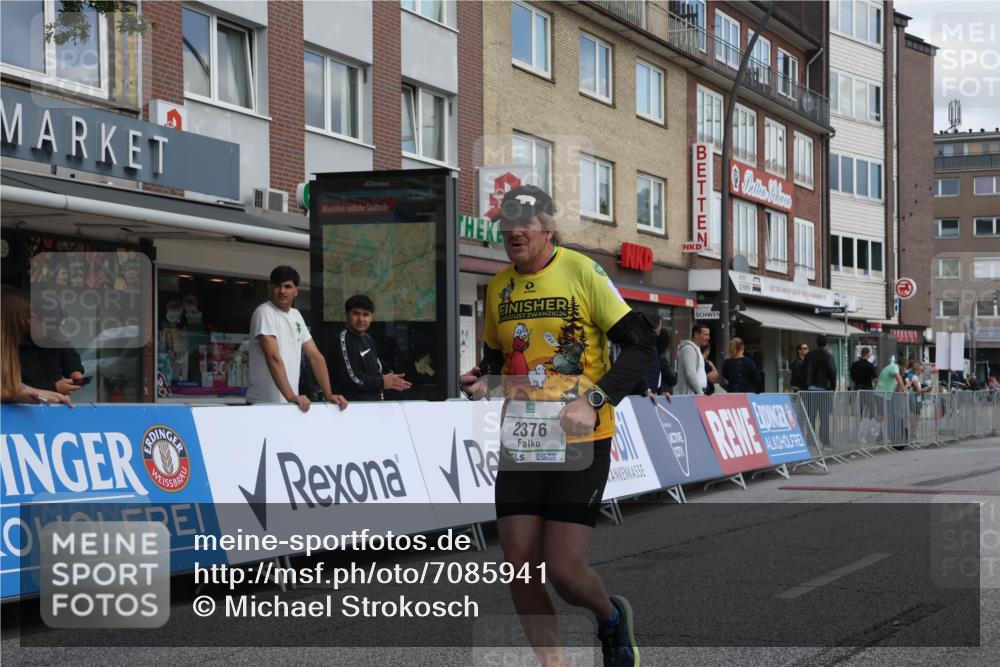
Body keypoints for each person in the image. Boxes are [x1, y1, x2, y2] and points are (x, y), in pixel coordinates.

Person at [458, 185, 652, 667]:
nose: (514, 232)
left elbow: (642, 348)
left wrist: (594, 399)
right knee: (521, 567)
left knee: (564, 571)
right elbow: (499, 358)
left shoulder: (582, 271)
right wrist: (482, 379)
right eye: (506, 224)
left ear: (547, 227)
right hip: (521, 438)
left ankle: (610, 619)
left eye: (524, 223)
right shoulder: (499, 286)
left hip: (580, 439)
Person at [246, 266, 347, 412]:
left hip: (288, 403)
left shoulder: (296, 315)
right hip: (264, 403)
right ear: (269, 287)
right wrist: (292, 396)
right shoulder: (264, 312)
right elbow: (273, 357)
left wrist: (328, 394)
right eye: (277, 286)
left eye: (288, 286)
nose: (282, 291)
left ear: (296, 291)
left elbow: (315, 357)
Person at [1, 286, 73, 406]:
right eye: (26, 315)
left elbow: (10, 387)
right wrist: (42, 391)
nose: (30, 320)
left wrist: (33, 394)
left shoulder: (9, 349)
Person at [331, 294, 412, 401]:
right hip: (350, 408)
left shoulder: (367, 338)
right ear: (347, 315)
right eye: (356, 313)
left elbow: (376, 368)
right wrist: (382, 382)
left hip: (372, 405)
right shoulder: (342, 339)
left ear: (371, 318)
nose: (361, 319)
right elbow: (352, 378)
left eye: (366, 314)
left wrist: (393, 381)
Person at [632, 321, 675, 400]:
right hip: (638, 397)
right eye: (659, 327)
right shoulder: (644, 349)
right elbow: (638, 371)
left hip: (648, 397)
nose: (659, 330)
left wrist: (661, 390)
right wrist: (646, 390)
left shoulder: (656, 352)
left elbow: (658, 375)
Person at [675, 324, 710, 396]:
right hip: (692, 395)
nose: (708, 338)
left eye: (708, 335)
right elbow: (690, 373)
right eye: (705, 335)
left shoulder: (696, 349)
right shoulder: (689, 349)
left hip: (696, 394)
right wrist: (700, 393)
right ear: (696, 335)